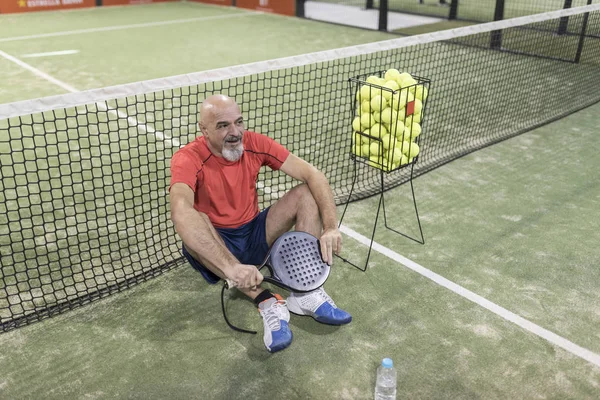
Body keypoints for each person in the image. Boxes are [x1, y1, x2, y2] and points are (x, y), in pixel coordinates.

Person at [169, 94, 352, 353]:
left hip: (255, 233)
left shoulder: (254, 143)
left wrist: (331, 226)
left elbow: (313, 174)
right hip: (219, 246)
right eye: (223, 126)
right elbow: (180, 209)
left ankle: (305, 293)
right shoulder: (188, 158)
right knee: (194, 221)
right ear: (204, 130)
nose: (235, 132)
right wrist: (232, 268)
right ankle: (267, 300)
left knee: (307, 193)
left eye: (239, 122)